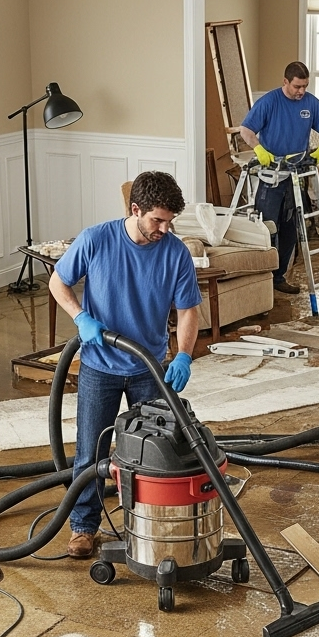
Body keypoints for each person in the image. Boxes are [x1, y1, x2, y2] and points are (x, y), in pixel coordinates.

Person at [48, 171, 202, 559]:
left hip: (148, 368)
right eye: (157, 220)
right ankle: (84, 527)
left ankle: (148, 524)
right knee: (90, 454)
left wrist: (183, 354)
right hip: (100, 364)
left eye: (170, 221)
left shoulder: (175, 253)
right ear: (136, 210)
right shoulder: (96, 240)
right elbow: (57, 282)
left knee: (153, 454)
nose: (164, 229)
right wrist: (81, 317)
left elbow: (187, 312)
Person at [239, 61, 319, 295]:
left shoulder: (310, 103)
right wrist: (260, 150)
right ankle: (262, 279)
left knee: (291, 229)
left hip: (296, 176)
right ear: (285, 82)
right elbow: (246, 131)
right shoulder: (269, 102)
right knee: (267, 228)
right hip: (271, 176)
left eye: (304, 86)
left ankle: (279, 277)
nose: (301, 91)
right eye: (297, 86)